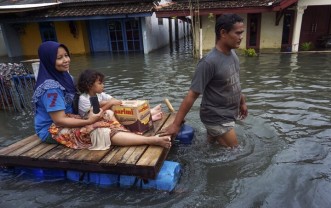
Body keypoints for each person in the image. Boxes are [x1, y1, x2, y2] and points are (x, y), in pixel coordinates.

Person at [32, 41, 171, 150]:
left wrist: (97, 112)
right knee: (99, 131)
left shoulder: (65, 77)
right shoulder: (50, 88)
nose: (66, 60)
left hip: (71, 118)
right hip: (52, 129)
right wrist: (88, 121)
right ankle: (151, 140)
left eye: (66, 55)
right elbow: (59, 121)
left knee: (108, 115)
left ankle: (135, 128)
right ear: (49, 60)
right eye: (59, 58)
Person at [161, 14, 248, 148]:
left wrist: (242, 102)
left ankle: (200, 149)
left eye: (242, 33)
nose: (241, 37)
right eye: (238, 33)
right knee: (236, 151)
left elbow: (234, 83)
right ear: (223, 33)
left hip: (228, 113)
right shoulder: (208, 62)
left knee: (209, 147)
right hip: (217, 117)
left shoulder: (233, 55)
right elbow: (192, 95)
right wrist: (175, 125)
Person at [76, 69, 163, 122]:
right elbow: (94, 115)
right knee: (110, 112)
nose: (103, 85)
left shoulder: (100, 94)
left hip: (100, 115)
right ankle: (149, 116)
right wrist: (109, 104)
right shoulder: (84, 98)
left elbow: (112, 99)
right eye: (100, 83)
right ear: (90, 85)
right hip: (91, 119)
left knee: (118, 106)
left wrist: (113, 103)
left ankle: (148, 114)